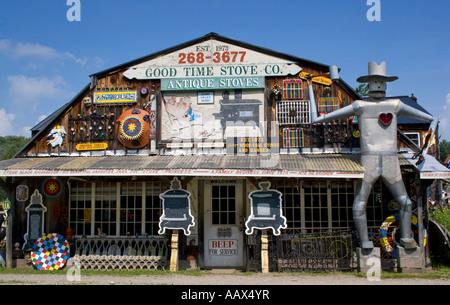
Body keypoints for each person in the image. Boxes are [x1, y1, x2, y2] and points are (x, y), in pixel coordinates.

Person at [312, 62, 438, 249]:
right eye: (374, 81)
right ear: (369, 84)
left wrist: (427, 143)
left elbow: (430, 119)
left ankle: (406, 238)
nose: (378, 85)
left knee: (403, 201)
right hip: (370, 159)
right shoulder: (361, 105)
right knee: (361, 202)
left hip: (390, 159)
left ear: (386, 84)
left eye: (380, 81)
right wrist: (318, 117)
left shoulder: (394, 105)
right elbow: (326, 117)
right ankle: (365, 241)